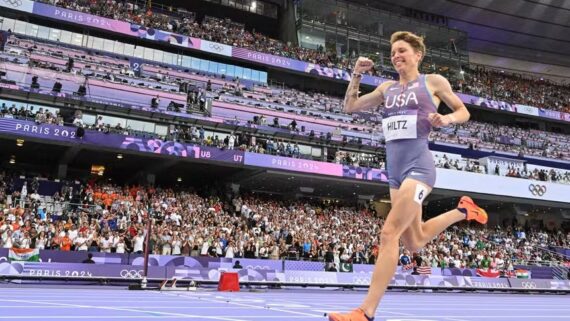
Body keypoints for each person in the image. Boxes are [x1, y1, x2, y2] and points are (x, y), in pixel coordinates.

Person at [327, 31, 488, 321]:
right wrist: (355, 75)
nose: (396, 55)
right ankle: (464, 211)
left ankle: (366, 312)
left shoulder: (433, 82)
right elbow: (349, 107)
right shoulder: (386, 88)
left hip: (419, 168)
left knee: (389, 233)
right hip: (395, 174)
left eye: (402, 50)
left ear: (418, 55)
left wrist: (446, 119)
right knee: (415, 241)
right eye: (393, 53)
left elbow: (463, 111)